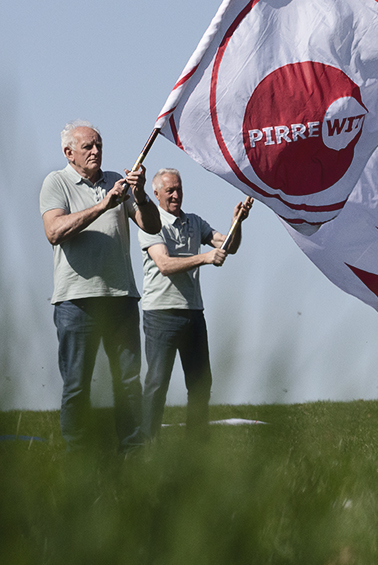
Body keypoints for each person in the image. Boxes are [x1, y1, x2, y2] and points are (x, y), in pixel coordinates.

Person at [40, 120, 161, 452]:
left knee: (127, 382)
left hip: (120, 298)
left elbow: (151, 227)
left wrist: (139, 194)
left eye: (99, 145)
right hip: (76, 302)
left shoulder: (118, 185)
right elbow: (54, 231)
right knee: (77, 384)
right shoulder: (57, 183)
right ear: (69, 153)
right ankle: (77, 453)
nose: (96, 151)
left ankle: (133, 450)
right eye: (88, 147)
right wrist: (102, 206)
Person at [139, 168, 246, 439]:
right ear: (156, 194)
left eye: (179, 189)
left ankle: (197, 445)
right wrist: (204, 258)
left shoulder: (194, 222)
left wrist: (238, 222)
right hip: (161, 313)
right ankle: (146, 446)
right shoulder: (150, 222)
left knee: (200, 383)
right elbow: (164, 264)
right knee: (157, 383)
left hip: (193, 313)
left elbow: (228, 245)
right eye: (169, 191)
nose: (176, 195)